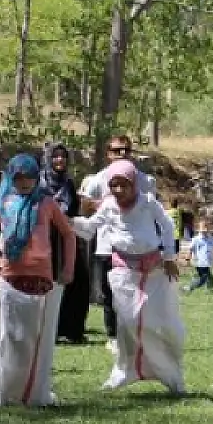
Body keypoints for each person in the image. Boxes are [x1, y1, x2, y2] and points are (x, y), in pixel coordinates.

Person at [72, 160, 185, 394]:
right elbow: (90, 228)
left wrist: (169, 256)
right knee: (127, 323)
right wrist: (67, 220)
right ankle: (125, 371)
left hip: (153, 269)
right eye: (114, 185)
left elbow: (166, 224)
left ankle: (170, 375)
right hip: (123, 271)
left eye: (124, 185)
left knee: (155, 323)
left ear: (134, 184)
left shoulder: (147, 203)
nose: (119, 190)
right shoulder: (108, 206)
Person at [0, 154, 76, 407]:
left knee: (37, 338)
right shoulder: (3, 203)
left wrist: (68, 269)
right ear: (11, 177)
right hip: (8, 275)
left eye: (29, 177)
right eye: (18, 178)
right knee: (7, 336)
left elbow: (68, 234)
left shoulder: (46, 203)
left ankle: (34, 393)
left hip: (41, 277)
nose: (24, 183)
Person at [80, 135, 155, 350]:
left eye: (126, 150)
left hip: (137, 246)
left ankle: (136, 333)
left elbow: (152, 212)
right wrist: (101, 205)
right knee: (110, 291)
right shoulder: (97, 180)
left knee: (138, 291)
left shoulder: (145, 180)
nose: (122, 154)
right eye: (117, 150)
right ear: (108, 153)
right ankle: (113, 336)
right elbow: (85, 208)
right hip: (107, 245)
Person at [41, 143, 90, 344]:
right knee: (49, 283)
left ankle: (71, 329)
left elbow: (73, 210)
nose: (60, 160)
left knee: (77, 282)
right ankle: (49, 329)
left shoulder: (68, 183)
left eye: (63, 156)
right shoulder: (39, 183)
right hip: (45, 237)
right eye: (55, 156)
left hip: (67, 237)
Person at [183, 219, 213, 292]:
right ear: (199, 230)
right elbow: (191, 249)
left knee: (209, 277)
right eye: (203, 230)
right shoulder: (196, 239)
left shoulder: (210, 239)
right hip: (200, 262)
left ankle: (210, 289)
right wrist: (188, 259)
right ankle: (189, 287)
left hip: (207, 262)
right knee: (204, 278)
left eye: (206, 229)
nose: (205, 231)